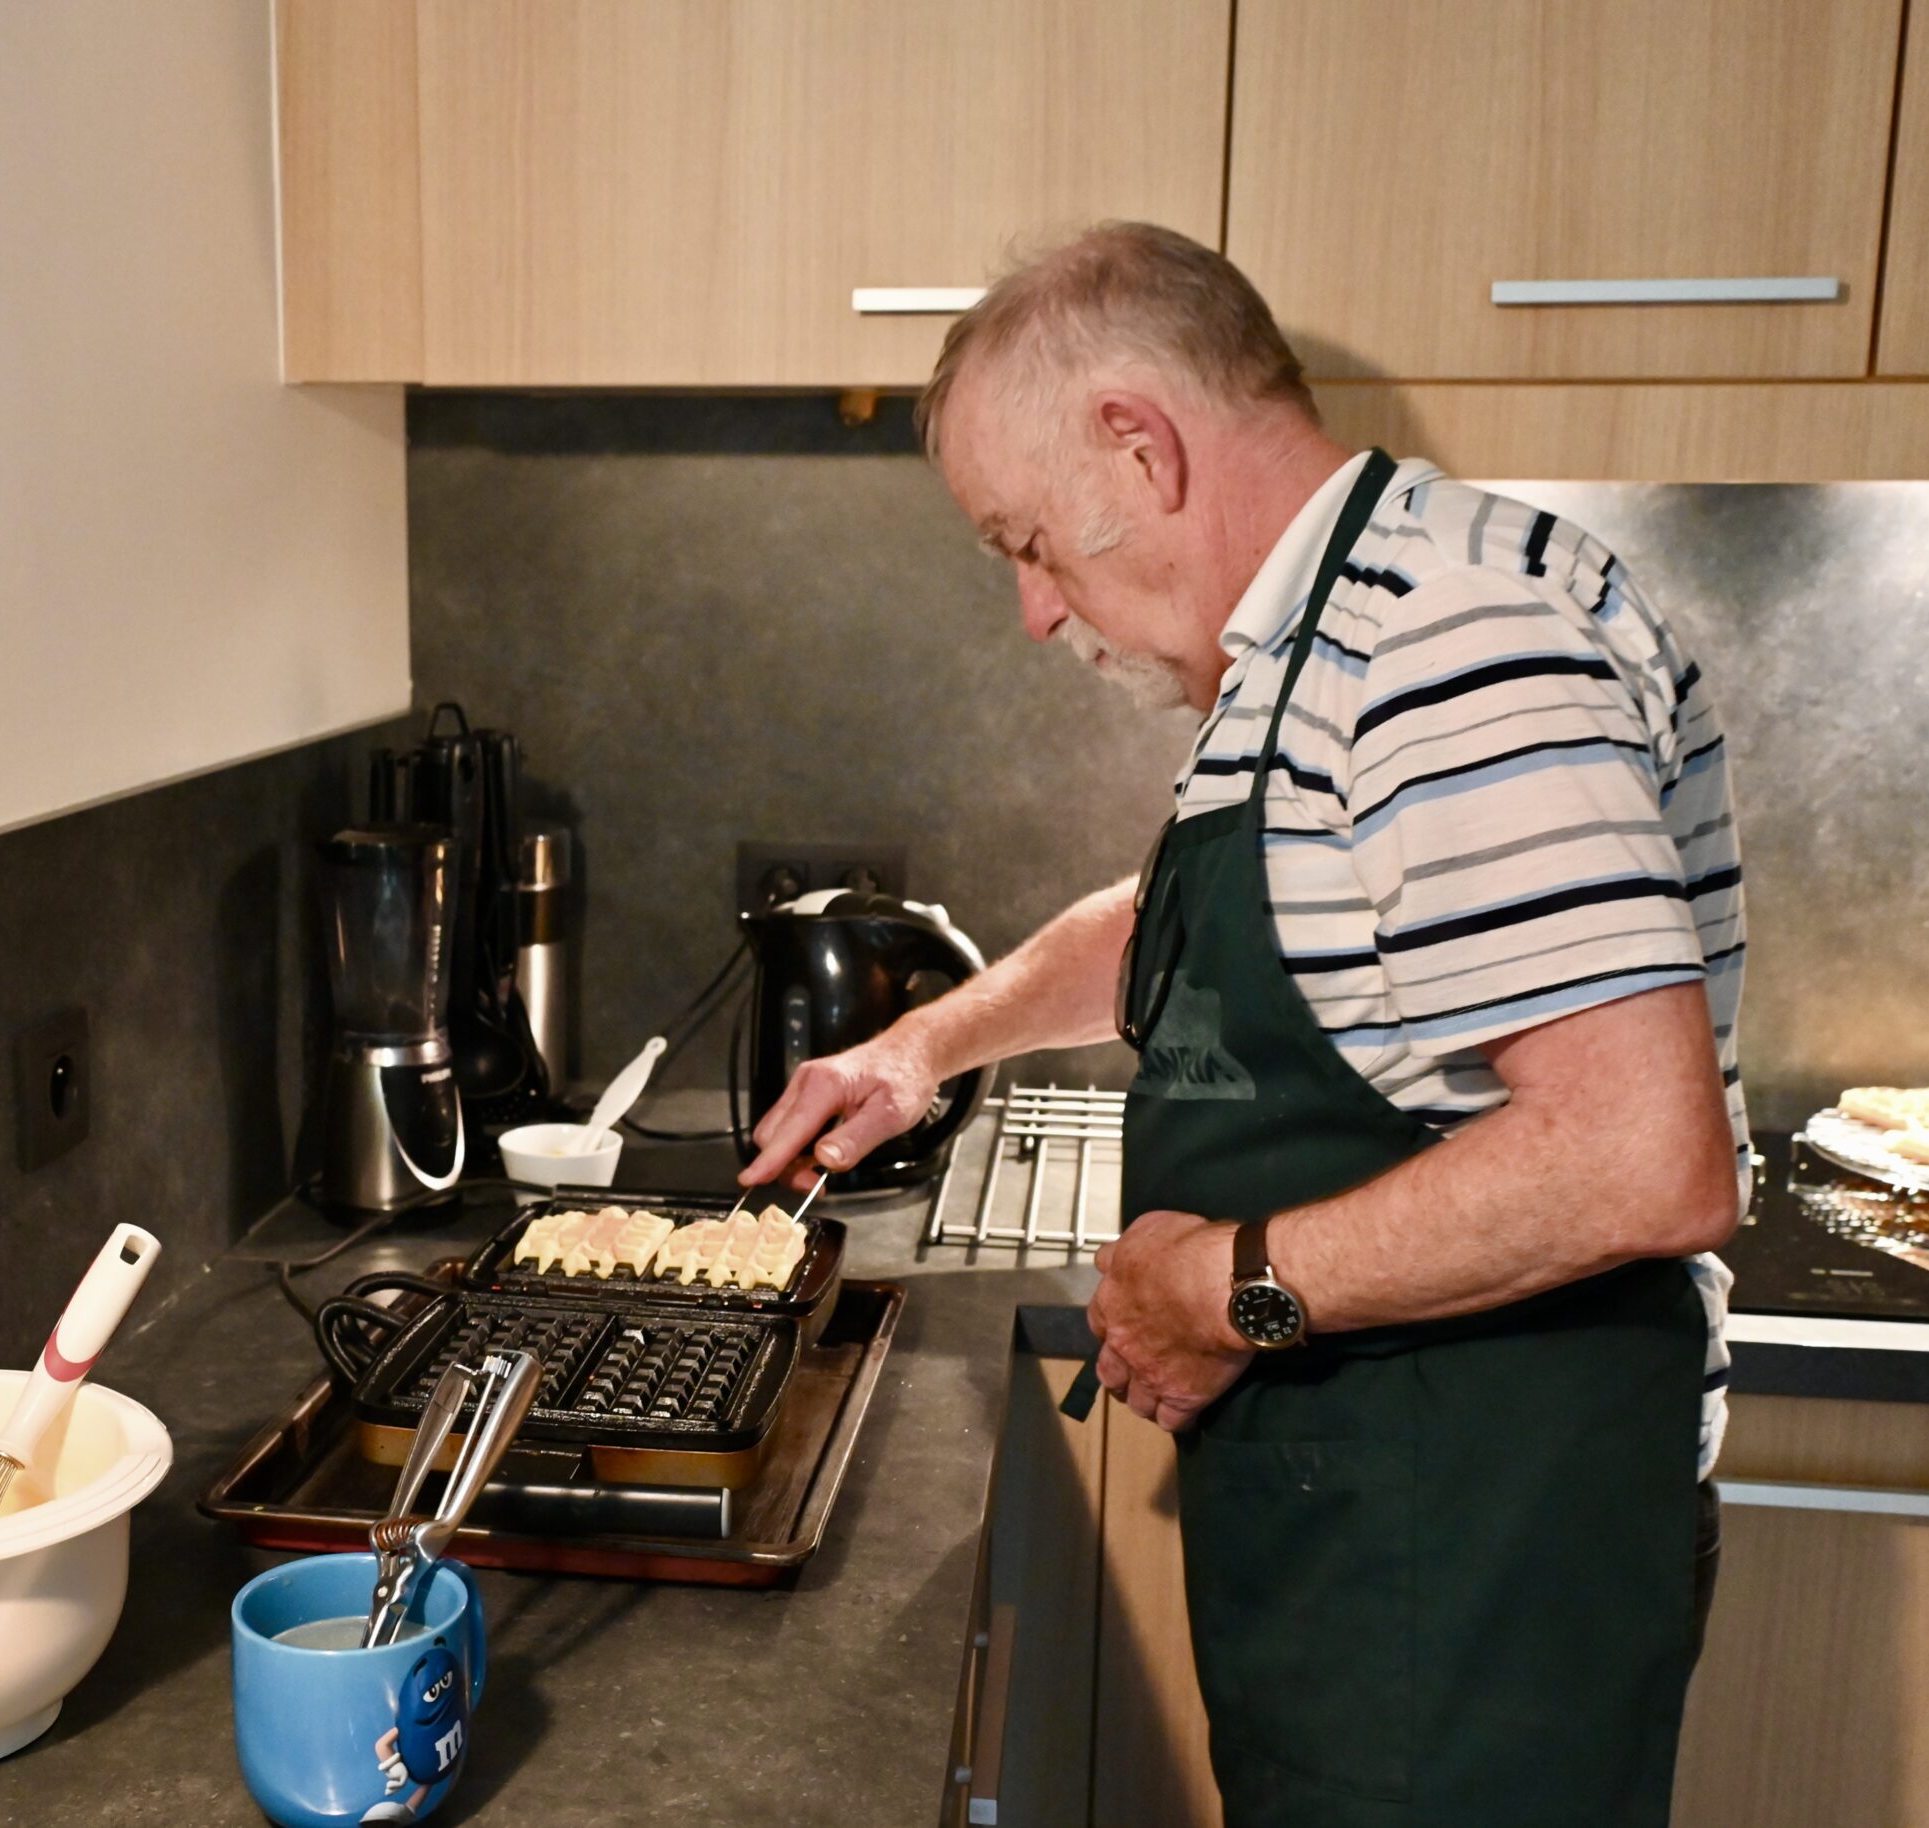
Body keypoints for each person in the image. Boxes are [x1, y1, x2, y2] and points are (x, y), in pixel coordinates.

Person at [741, 223, 1746, 1827]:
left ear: (1137, 449)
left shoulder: (1449, 646)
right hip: (1375, 1520)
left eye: (1029, 540)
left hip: (1480, 1554)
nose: (1029, 608)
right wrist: (923, 1045)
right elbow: (1180, 924)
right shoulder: (1315, 649)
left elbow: (1643, 1160)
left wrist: (1229, 1293)